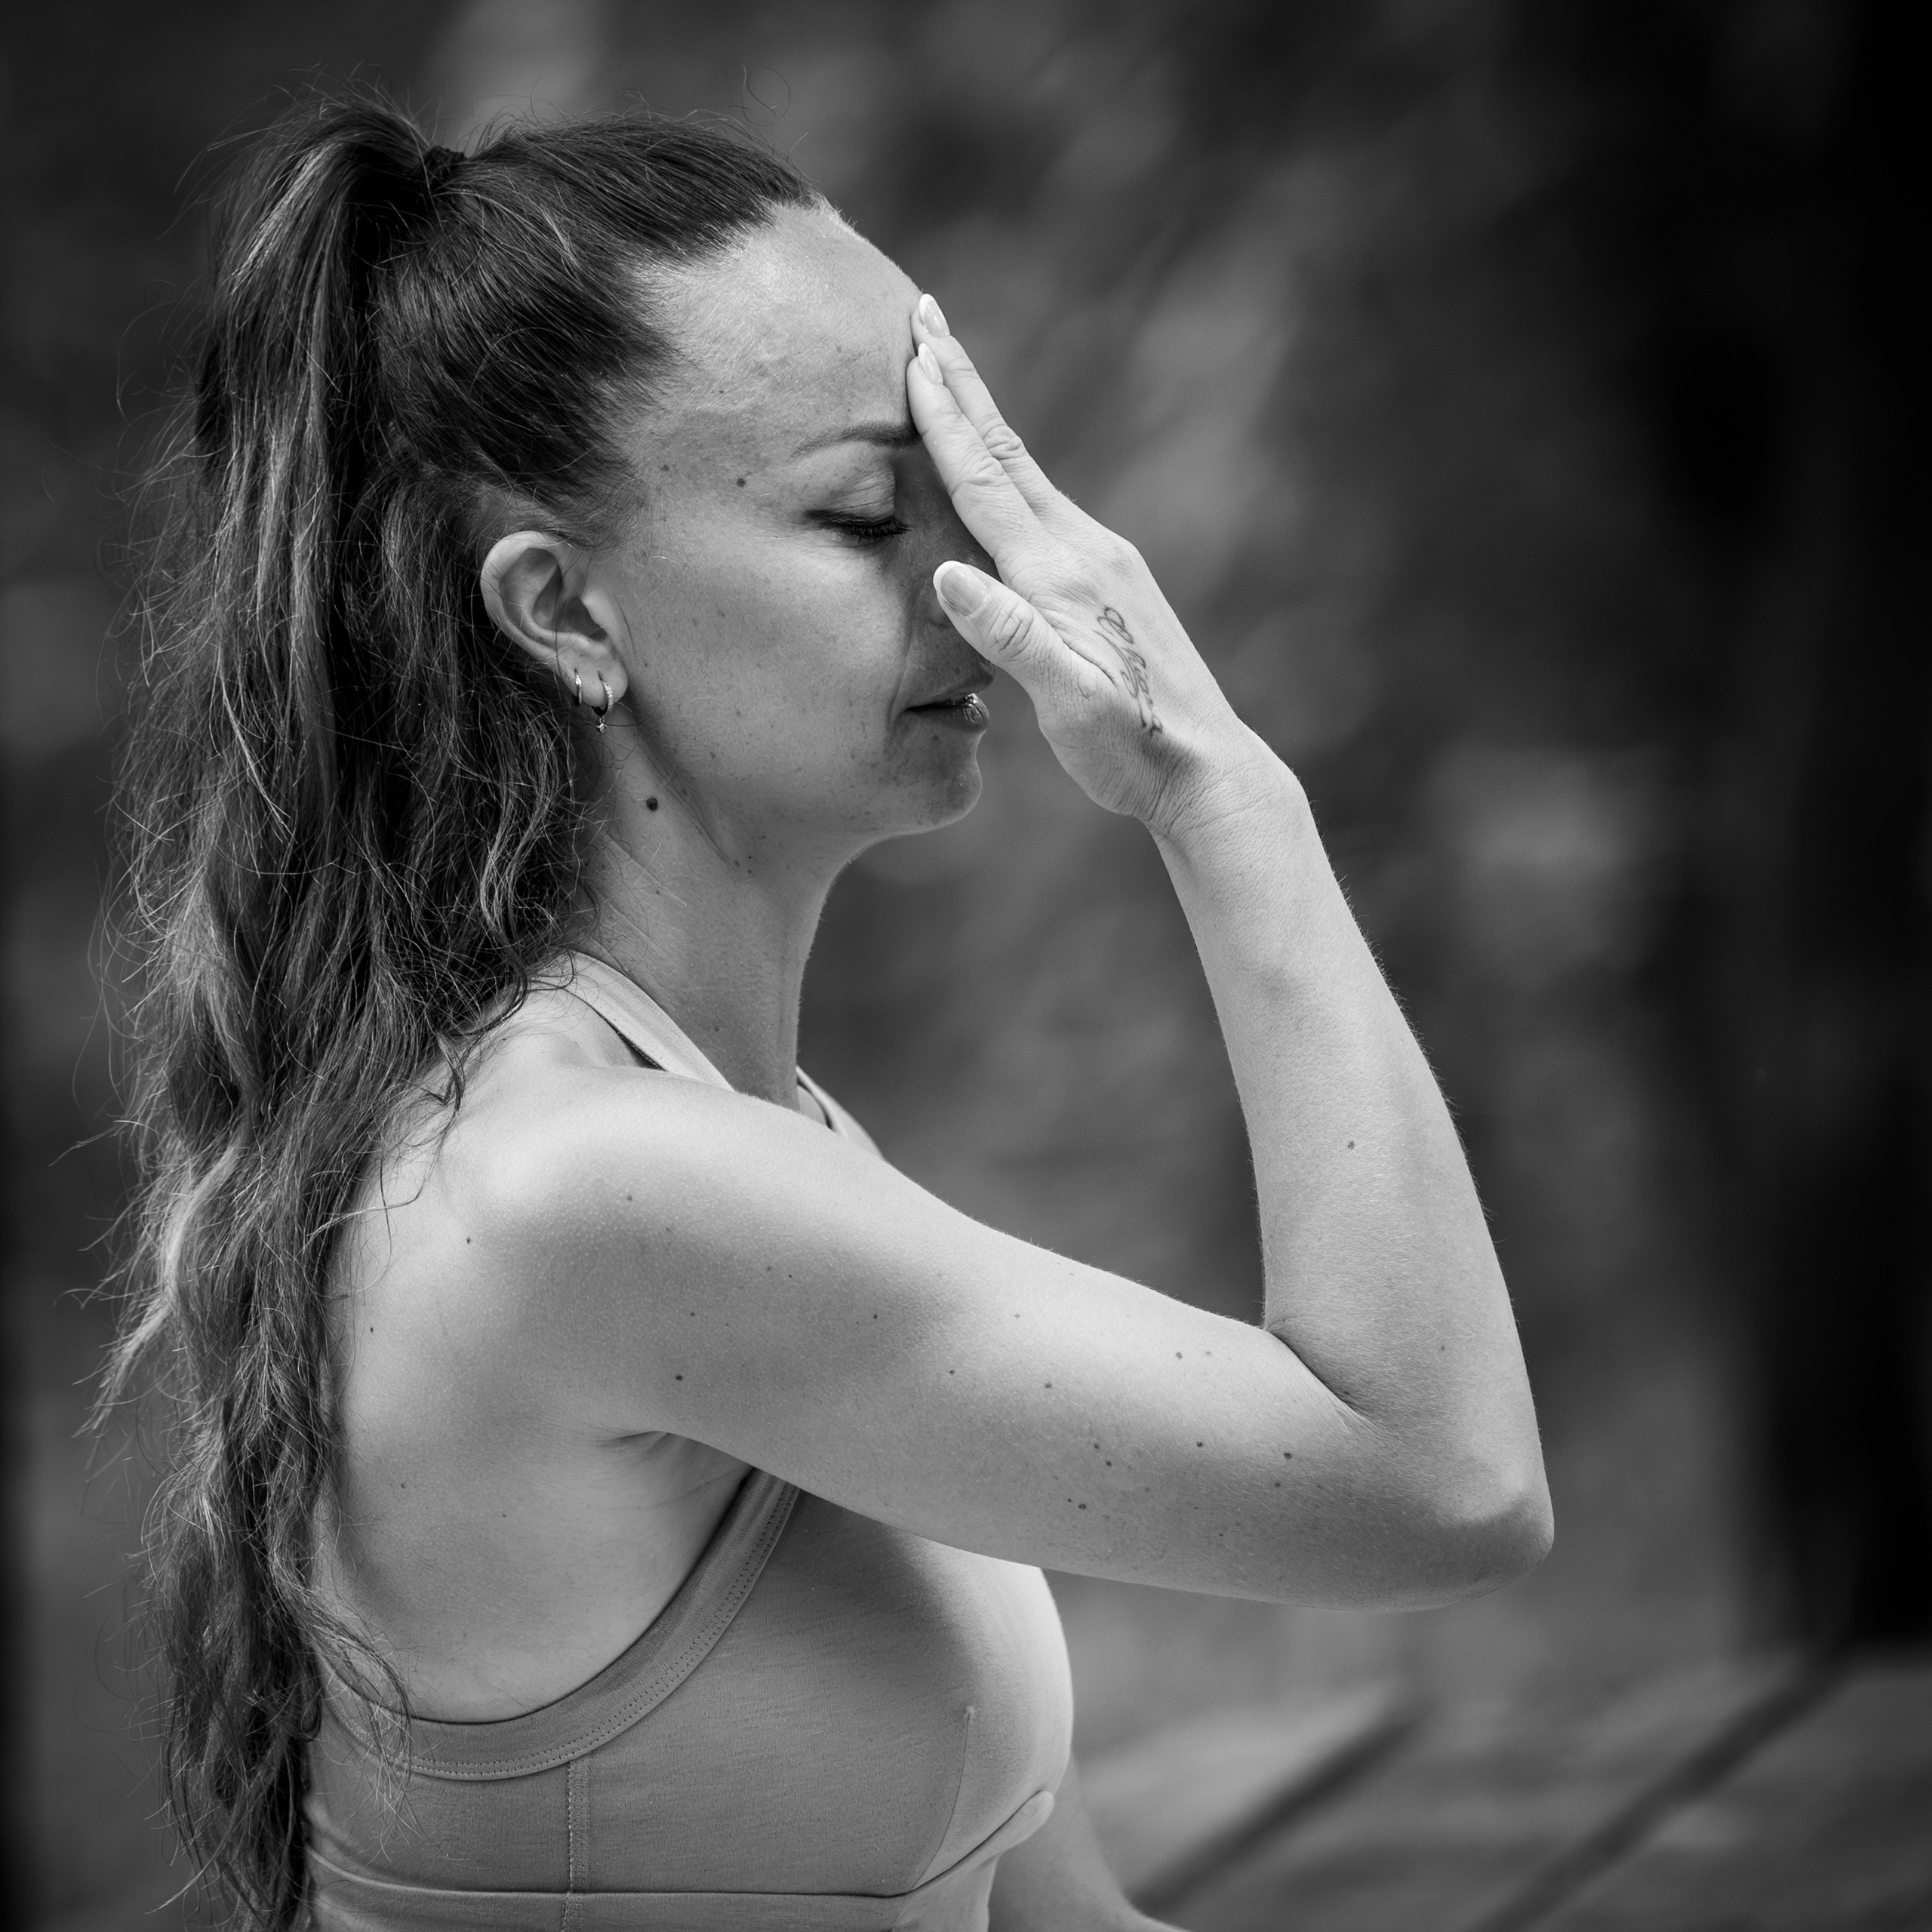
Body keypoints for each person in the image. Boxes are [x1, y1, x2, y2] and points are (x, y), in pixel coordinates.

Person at [106, 88, 1552, 1932]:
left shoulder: (731, 1131)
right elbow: (1440, 1479)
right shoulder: (587, 1189)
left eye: (969, 484)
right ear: (564, 614)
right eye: (870, 510)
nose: (986, 572)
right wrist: (1223, 793)